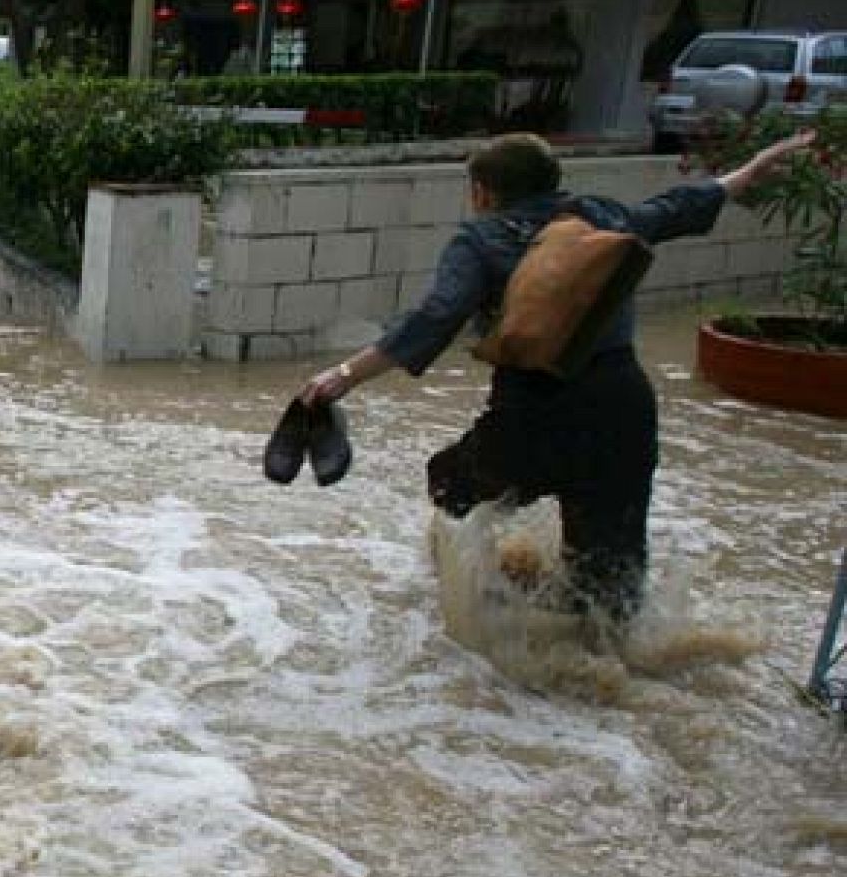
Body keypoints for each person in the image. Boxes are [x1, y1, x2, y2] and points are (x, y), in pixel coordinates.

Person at [298, 130, 816, 623]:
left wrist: (345, 375)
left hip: (534, 413)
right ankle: (607, 665)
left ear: (482, 193)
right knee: (609, 582)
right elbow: (676, 207)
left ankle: (474, 628)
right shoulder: (604, 217)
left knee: (451, 486)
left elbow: (437, 315)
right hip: (624, 408)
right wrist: (752, 168)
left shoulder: (481, 239)